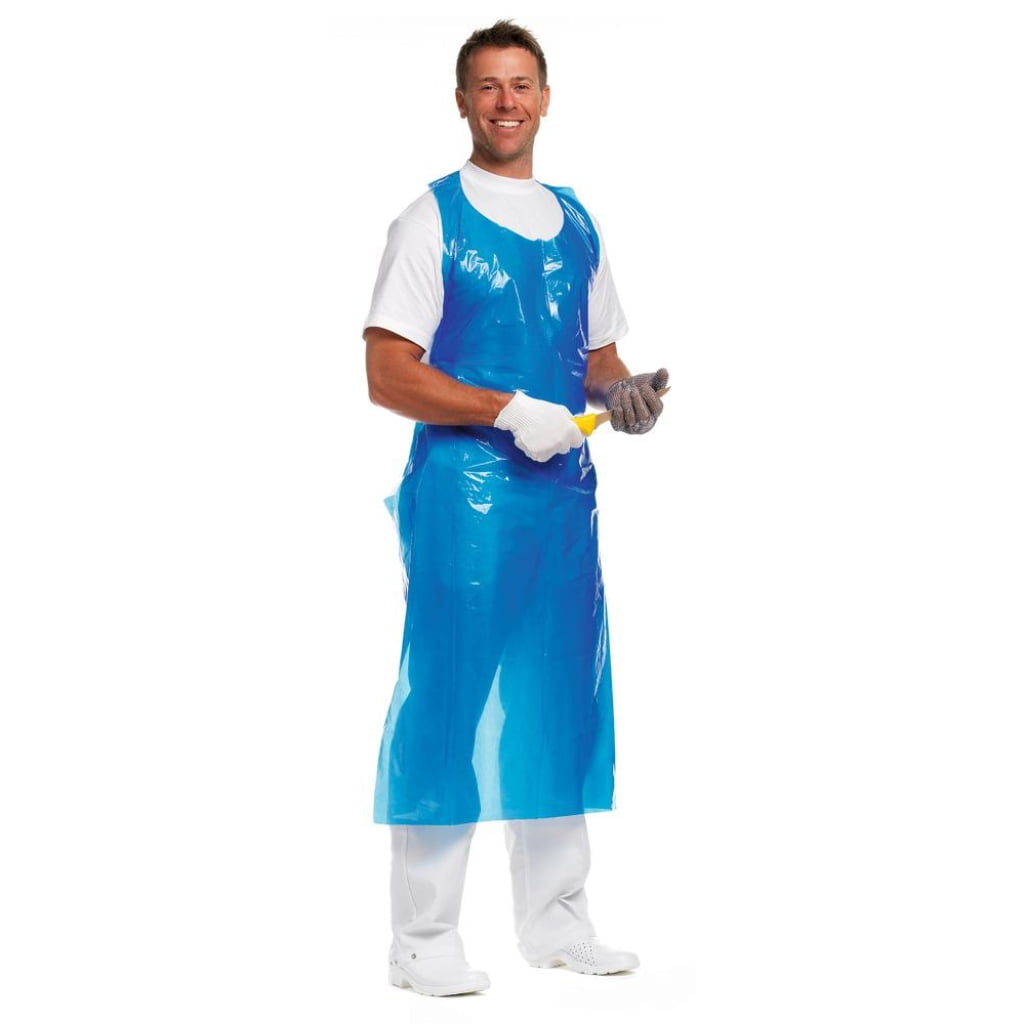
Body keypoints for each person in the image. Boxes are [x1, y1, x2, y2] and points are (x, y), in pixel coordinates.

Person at [363, 20, 669, 998]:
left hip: (561, 502)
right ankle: (421, 938)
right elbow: (386, 371)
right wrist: (503, 408)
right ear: (462, 102)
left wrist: (623, 394)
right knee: (448, 697)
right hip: (465, 499)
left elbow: (596, 355)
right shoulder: (430, 221)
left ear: (545, 97)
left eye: (522, 84)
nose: (506, 102)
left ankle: (557, 922)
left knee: (557, 697)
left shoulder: (576, 222)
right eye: (488, 86)